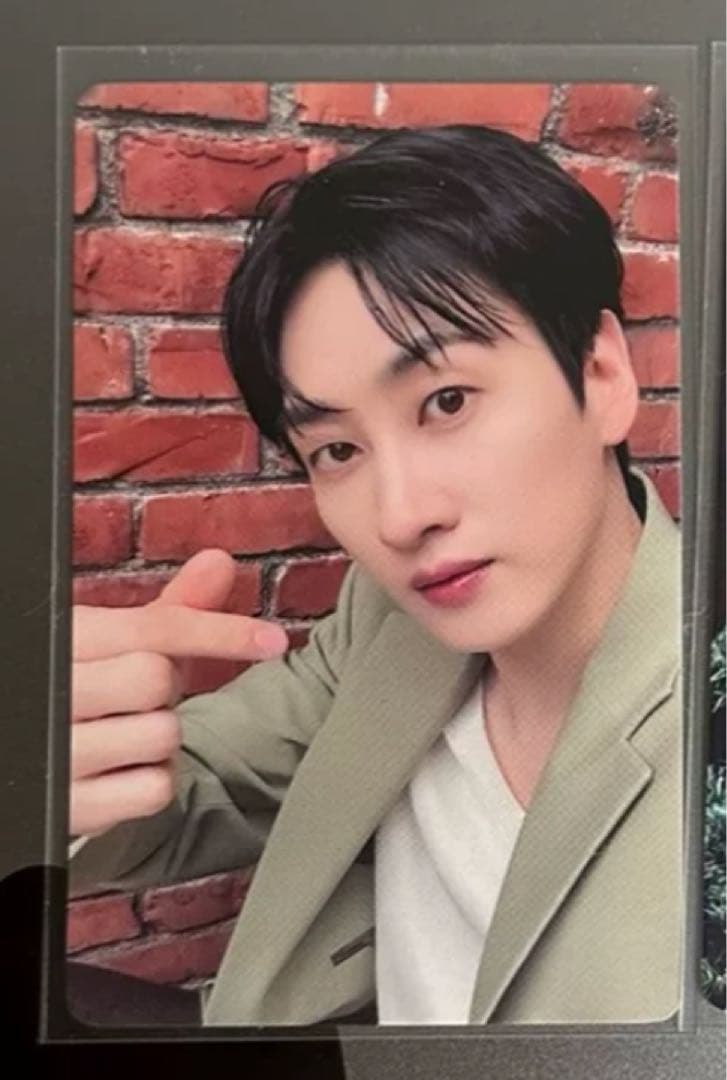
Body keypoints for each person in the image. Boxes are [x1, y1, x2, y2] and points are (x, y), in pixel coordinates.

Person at [68, 125, 681, 1026]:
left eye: (446, 401)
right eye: (337, 449)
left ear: (600, 376)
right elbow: (194, 785)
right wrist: (58, 758)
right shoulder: (387, 622)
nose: (398, 517)